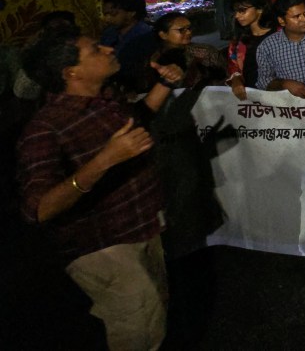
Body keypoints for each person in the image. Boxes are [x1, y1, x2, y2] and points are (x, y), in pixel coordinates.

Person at [17, 26, 185, 350]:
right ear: (71, 72)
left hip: (142, 225)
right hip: (102, 246)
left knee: (155, 312)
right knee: (137, 329)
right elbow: (39, 209)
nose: (108, 50)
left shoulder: (104, 101)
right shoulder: (44, 130)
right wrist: (104, 161)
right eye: (95, 50)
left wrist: (165, 84)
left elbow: (138, 119)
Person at [148, 12, 227, 90]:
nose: (189, 32)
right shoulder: (154, 60)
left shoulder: (205, 51)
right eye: (181, 30)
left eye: (189, 28)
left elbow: (226, 77)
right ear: (163, 35)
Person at [100, 0, 158, 94]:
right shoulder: (109, 33)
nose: (107, 19)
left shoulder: (146, 37)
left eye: (113, 14)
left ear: (131, 13)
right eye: (105, 14)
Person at [225, 0, 276, 100]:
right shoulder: (238, 42)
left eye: (242, 10)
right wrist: (236, 79)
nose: (237, 15)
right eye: (235, 11)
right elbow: (233, 67)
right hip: (251, 98)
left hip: (280, 94)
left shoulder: (280, 34)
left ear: (260, 9)